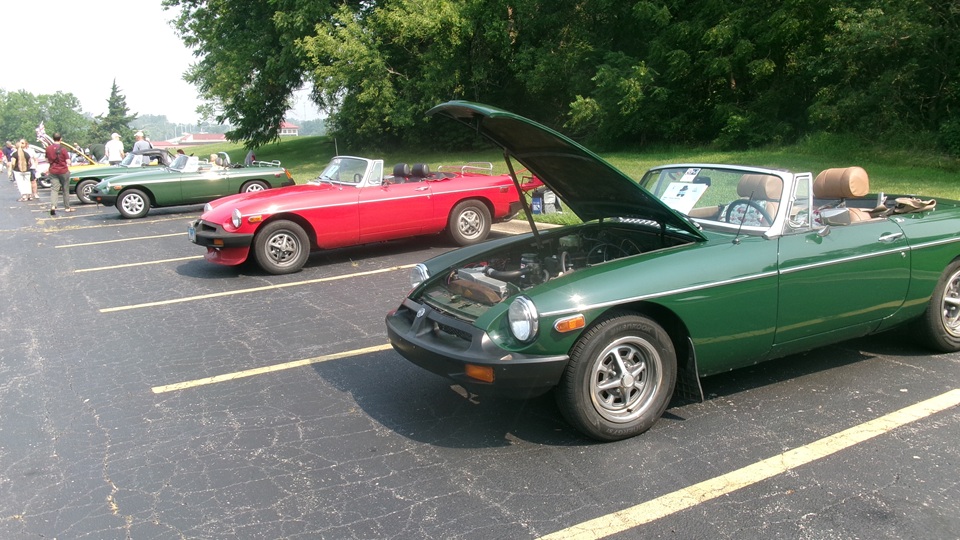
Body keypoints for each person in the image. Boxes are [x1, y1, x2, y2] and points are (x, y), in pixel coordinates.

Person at [46, 133, 72, 214]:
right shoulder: (63, 149)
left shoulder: (48, 148)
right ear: (60, 139)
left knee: (54, 189)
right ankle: (67, 207)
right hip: (63, 171)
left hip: (53, 170)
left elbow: (46, 160)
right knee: (65, 189)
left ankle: (53, 206)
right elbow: (68, 161)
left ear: (53, 138)